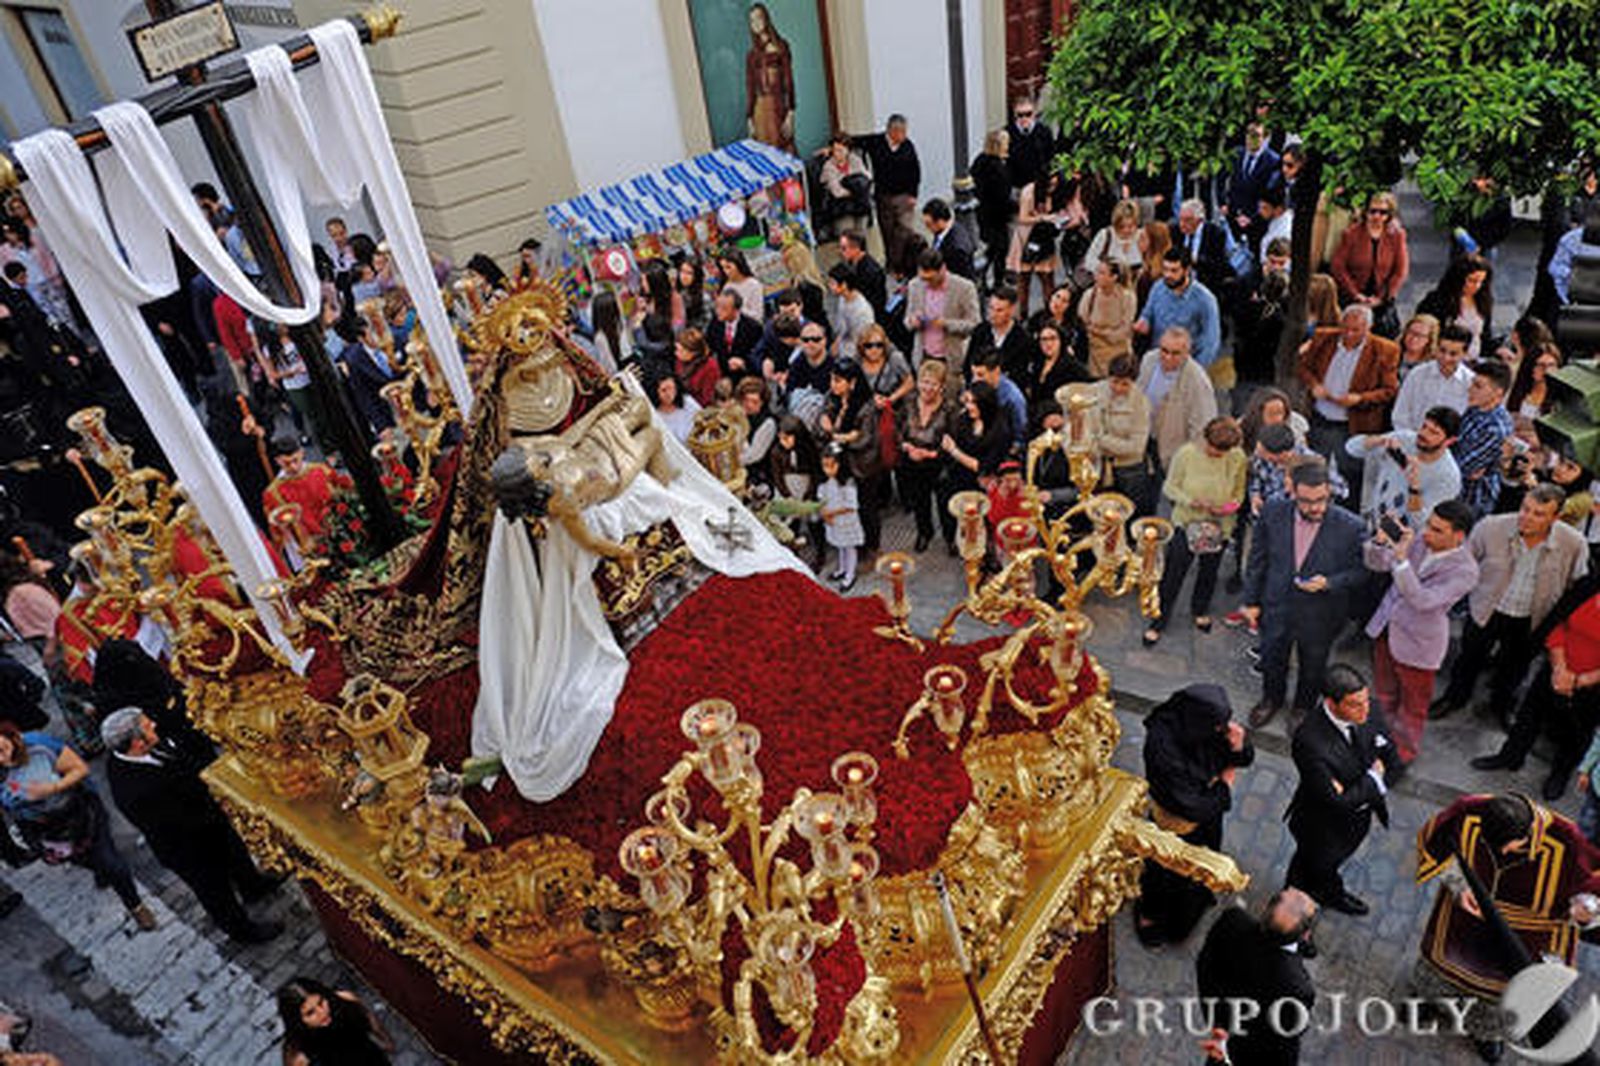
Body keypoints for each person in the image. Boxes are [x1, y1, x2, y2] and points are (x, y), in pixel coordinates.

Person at [1412, 794, 1600, 1064]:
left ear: (1530, 831)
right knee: (1443, 969)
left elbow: (1593, 889)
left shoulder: (1568, 841)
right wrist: (1459, 886)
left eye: (1510, 846)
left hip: (1524, 937)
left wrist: (1586, 909)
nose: (1502, 853)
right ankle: (1431, 1003)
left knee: (1502, 995)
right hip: (1464, 919)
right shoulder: (1467, 811)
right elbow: (1436, 846)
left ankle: (1486, 1034)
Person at [100, 708, 284, 943]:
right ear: (136, 742)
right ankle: (242, 931)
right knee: (215, 891)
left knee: (236, 854)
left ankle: (253, 887)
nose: (154, 724)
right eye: (147, 726)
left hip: (209, 820)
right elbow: (178, 822)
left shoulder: (149, 744)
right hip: (188, 848)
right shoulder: (133, 790)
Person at [1437, 484, 1588, 725]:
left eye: (1538, 514)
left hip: (1531, 617)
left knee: (1515, 668)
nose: (1527, 517)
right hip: (1487, 609)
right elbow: (1465, 563)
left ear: (1555, 517)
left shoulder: (1574, 544)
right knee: (1469, 658)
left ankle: (1500, 706)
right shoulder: (1491, 527)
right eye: (1525, 508)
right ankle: (1454, 698)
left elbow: (1575, 584)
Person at [1242, 461, 1366, 726]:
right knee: (1272, 658)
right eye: (1307, 501)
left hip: (1321, 613)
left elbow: (1361, 572)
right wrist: (1250, 601)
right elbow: (1258, 559)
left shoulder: (1351, 526)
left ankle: (1302, 708)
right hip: (1276, 605)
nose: (1316, 507)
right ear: (1293, 492)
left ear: (1330, 491)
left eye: (1322, 499)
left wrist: (1329, 582)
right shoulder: (1273, 512)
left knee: (1313, 666)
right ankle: (1271, 700)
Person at [0, 722, 156, 931]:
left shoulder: (39, 745)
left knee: (113, 864)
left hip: (81, 812)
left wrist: (52, 788)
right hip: (46, 830)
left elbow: (80, 769)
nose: (2, 759)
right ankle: (98, 868)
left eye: (2, 750)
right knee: (85, 860)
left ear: (9, 736)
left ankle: (135, 906)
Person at [1362, 500, 1478, 772]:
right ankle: (1384, 735)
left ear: (1458, 535)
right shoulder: (1418, 541)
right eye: (1429, 525)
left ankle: (1403, 753)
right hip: (1386, 629)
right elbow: (1376, 564)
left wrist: (1401, 560)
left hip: (1419, 646)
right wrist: (1381, 543)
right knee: (1385, 692)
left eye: (1437, 530)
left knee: (1413, 706)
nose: (1427, 533)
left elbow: (1423, 600)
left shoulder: (1466, 571)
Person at [1135, 684, 1254, 946]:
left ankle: (1198, 898)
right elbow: (1189, 805)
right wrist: (1224, 784)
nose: (1223, 730)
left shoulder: (1209, 726)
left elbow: (1240, 757)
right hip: (1176, 824)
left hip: (1208, 816)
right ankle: (1151, 920)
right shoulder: (1162, 745)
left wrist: (1238, 746)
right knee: (1165, 877)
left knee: (1203, 862)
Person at [1475, 563, 1600, 799]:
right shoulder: (1588, 585)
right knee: (1529, 714)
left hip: (1592, 686)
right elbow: (1558, 623)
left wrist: (1579, 681)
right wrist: (1560, 666)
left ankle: (1560, 774)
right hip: (1557, 666)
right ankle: (1509, 756)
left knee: (1577, 733)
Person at [1284, 665, 1396, 915]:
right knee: (1307, 869)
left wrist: (1356, 788)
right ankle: (1293, 919)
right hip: (1321, 827)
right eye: (1355, 705)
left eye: (1366, 700)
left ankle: (1331, 893)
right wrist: (1373, 778)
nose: (1365, 710)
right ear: (1331, 704)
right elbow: (1335, 800)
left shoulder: (1369, 709)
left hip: (1357, 818)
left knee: (1329, 866)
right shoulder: (1309, 741)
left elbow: (1389, 753)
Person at [1145, 418, 1246, 646]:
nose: (1218, 454)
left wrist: (1229, 506)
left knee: (1209, 572)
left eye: (1224, 451)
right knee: (1174, 573)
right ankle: (1159, 618)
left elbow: (1239, 492)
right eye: (1214, 449)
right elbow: (1170, 487)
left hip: (1220, 525)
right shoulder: (1186, 454)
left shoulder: (1237, 457)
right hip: (1187, 522)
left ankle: (1200, 609)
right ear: (1205, 439)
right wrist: (1192, 501)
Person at [1194, 890, 1319, 1066]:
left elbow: (1205, 967)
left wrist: (1217, 1020)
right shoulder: (1296, 988)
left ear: (1265, 910)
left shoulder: (1232, 920)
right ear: (1305, 935)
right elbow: (1283, 1041)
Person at [1296, 304, 1400, 497]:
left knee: (1350, 475)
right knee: (1313, 470)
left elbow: (1390, 390)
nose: (1348, 334)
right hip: (1320, 417)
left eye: (1355, 330)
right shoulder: (1323, 337)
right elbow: (1303, 367)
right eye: (1345, 328)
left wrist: (1360, 398)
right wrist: (1314, 385)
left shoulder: (1385, 350)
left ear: (1368, 328)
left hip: (1353, 424)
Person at [1342, 407, 1462, 534]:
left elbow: (1421, 524)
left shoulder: (1448, 476)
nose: (1423, 434)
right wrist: (1379, 441)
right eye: (1424, 426)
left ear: (1450, 441)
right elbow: (1351, 448)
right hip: (1370, 521)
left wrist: (1414, 488)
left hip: (1402, 540)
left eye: (1434, 432)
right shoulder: (1405, 438)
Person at [820, 360, 884, 553]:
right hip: (842, 462)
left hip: (863, 465)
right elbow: (824, 415)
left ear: (852, 382)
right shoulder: (833, 397)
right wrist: (826, 421)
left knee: (866, 506)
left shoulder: (866, 406)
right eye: (832, 379)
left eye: (838, 380)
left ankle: (871, 546)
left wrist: (841, 437)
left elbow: (864, 438)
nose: (833, 385)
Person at [1137, 325, 1218, 476]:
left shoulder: (1197, 381)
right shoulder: (1149, 360)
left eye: (1175, 353)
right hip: (1144, 438)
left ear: (1187, 353)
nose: (1168, 357)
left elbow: (1202, 428)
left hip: (1173, 449)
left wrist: (1189, 465)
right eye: (1164, 350)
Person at [939, 381, 1009, 546]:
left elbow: (983, 466)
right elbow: (952, 439)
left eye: (973, 402)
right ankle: (953, 540)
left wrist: (954, 451)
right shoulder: (965, 419)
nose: (968, 406)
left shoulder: (1000, 430)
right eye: (967, 401)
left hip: (982, 481)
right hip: (959, 474)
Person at [1330, 192, 1410, 336]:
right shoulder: (1351, 233)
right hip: (1352, 294)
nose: (1377, 216)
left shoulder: (1397, 235)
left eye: (1383, 212)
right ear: (1366, 212)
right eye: (1373, 211)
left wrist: (1382, 297)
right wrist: (1355, 294)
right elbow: (1338, 266)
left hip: (1382, 296)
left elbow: (1400, 270)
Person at [903, 249, 980, 391]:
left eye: (931, 279)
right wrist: (913, 322)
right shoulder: (915, 285)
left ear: (942, 269)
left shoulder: (964, 288)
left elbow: (975, 323)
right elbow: (907, 320)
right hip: (923, 357)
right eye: (923, 279)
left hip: (950, 360)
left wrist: (946, 323)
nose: (927, 283)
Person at [898, 361, 955, 553]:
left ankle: (950, 537)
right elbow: (898, 431)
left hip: (939, 464)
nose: (927, 388)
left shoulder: (949, 408)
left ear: (941, 386)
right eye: (924, 382)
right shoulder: (908, 402)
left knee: (944, 505)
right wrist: (906, 447)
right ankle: (924, 533)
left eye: (933, 383)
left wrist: (931, 454)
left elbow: (954, 440)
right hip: (912, 462)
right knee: (920, 502)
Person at [1083, 355, 1152, 512]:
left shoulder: (1141, 403)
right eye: (1114, 382)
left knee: (1130, 511)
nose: (1118, 388)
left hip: (1129, 470)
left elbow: (1136, 447)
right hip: (1098, 465)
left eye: (1125, 384)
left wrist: (1101, 439)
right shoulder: (1094, 391)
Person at [1133, 246, 1222, 368]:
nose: (1168, 275)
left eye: (1174, 271)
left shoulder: (1205, 299)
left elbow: (1210, 342)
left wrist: (1196, 370)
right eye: (1165, 269)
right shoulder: (1158, 287)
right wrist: (1144, 321)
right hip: (1157, 360)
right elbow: (1148, 313)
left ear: (1187, 270)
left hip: (1185, 364)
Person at [277, 976, 394, 1066]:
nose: (322, 1013)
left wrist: (385, 1040)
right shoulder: (299, 1053)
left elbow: (368, 1018)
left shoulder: (345, 999)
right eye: (310, 1013)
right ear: (297, 1020)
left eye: (321, 1002)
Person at [1453, 359, 1516, 520]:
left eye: (1478, 386)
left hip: (1473, 501)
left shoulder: (1496, 428)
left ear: (1498, 393)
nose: (1470, 389)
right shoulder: (1475, 408)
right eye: (1473, 383)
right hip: (1456, 491)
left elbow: (1463, 467)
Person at [859, 115, 920, 275]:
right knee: (887, 231)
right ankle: (893, 264)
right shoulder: (877, 142)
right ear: (893, 131)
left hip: (904, 196)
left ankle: (900, 263)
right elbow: (855, 141)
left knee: (904, 230)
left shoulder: (908, 146)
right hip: (884, 196)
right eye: (902, 132)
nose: (905, 135)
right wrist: (832, 147)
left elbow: (915, 171)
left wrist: (914, 194)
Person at [1391, 321, 1471, 432]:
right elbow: (1400, 415)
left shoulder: (1470, 382)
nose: (1446, 358)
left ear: (1465, 354)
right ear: (1436, 347)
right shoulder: (1417, 374)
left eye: (1453, 354)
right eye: (1442, 351)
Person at [1007, 171, 1068, 316]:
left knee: (1047, 279)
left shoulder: (1054, 193)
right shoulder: (1029, 192)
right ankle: (1023, 314)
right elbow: (1022, 218)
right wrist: (1045, 218)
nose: (1052, 187)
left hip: (1044, 237)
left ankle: (1050, 313)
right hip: (1027, 238)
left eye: (1055, 184)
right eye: (1050, 184)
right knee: (1024, 280)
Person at [1417, 253, 1495, 361]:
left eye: (1481, 281)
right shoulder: (1437, 300)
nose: (1477, 286)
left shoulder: (1483, 300)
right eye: (1472, 280)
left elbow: (1485, 335)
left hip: (1473, 359)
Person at [743, 3, 795, 152]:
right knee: (764, 154)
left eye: (758, 18)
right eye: (752, 21)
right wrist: (749, 119)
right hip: (759, 110)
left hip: (777, 106)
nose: (756, 24)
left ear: (766, 19)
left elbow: (788, 80)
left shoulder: (781, 47)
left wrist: (790, 112)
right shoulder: (751, 56)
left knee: (784, 150)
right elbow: (750, 87)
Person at [1168, 199, 1237, 302]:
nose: (1182, 224)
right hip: (1179, 284)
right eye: (1180, 219)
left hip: (1206, 285)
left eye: (1187, 220)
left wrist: (1195, 260)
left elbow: (1218, 265)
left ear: (1199, 220)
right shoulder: (1175, 232)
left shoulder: (1215, 233)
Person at [1078, 260, 1138, 378]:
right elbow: (1082, 323)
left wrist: (1099, 332)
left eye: (1102, 273)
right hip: (1094, 355)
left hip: (1119, 353)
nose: (1096, 276)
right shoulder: (1089, 295)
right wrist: (1104, 333)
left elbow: (1123, 332)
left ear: (1114, 277)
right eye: (1097, 271)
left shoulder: (1128, 298)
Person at [1223, 120, 1283, 239]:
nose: (1252, 139)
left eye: (1257, 135)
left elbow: (1269, 193)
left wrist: (1252, 217)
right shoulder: (1236, 154)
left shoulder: (1273, 161)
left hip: (1256, 221)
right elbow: (1223, 178)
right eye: (1249, 134)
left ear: (1265, 137)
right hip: (1233, 215)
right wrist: (1223, 203)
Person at [968, 286, 1038, 387]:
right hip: (978, 389)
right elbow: (968, 363)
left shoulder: (1023, 339)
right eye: (991, 308)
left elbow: (1020, 376)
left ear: (1011, 310)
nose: (993, 314)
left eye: (999, 310)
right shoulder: (980, 331)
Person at [817, 445, 863, 590]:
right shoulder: (824, 482)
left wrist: (830, 513)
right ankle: (842, 569)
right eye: (825, 466)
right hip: (833, 521)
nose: (828, 469)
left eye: (832, 465)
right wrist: (824, 513)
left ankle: (850, 574)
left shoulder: (847, 482)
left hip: (846, 521)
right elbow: (821, 498)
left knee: (849, 547)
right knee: (839, 546)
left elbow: (851, 505)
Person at [967, 350, 1030, 454]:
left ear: (996, 371)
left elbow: (1020, 438)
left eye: (980, 374)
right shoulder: (974, 386)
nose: (975, 380)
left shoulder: (1014, 399)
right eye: (973, 374)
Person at [970, 129, 1011, 288]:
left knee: (990, 248)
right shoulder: (997, 167)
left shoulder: (980, 160)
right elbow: (1001, 196)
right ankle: (997, 283)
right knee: (999, 250)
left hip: (984, 214)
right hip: (996, 216)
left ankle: (985, 281)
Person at [1026, 321, 1089, 409]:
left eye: (1053, 338)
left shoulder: (1073, 367)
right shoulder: (1036, 365)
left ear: (1061, 341)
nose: (1048, 344)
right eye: (1044, 339)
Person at [1081, 198, 1144, 280]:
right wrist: (1105, 270)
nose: (1126, 230)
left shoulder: (1142, 236)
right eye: (1121, 226)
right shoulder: (1105, 235)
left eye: (1130, 226)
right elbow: (1089, 260)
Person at [706, 290, 763, 380]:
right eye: (717, 307)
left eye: (724, 309)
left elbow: (758, 355)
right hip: (723, 375)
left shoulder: (753, 327)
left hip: (746, 375)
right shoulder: (715, 323)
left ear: (736, 310)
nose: (718, 311)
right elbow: (709, 345)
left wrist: (743, 363)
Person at [819, 132, 872, 227]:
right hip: (842, 209)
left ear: (848, 150)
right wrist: (858, 189)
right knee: (847, 234)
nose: (837, 154)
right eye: (835, 150)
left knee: (861, 235)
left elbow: (868, 177)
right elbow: (837, 192)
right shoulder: (829, 166)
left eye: (841, 150)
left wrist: (856, 186)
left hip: (860, 206)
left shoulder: (855, 160)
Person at [1005, 96, 1054, 193]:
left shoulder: (1044, 131)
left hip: (1040, 185)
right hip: (1016, 186)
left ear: (1034, 113)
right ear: (1014, 114)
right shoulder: (1007, 133)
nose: (1024, 118)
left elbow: (1050, 157)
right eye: (1020, 115)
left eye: (1028, 114)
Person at [1506, 340, 1563, 424]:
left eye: (1551, 365)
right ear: (1530, 366)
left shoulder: (1562, 400)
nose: (1546, 370)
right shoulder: (1516, 392)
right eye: (1541, 365)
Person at [827, 264, 875, 363]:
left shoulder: (862, 310)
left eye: (832, 283)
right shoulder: (842, 299)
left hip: (854, 357)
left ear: (844, 285)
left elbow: (862, 341)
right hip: (842, 351)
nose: (829, 286)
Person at [836, 231, 887, 321]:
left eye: (844, 248)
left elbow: (876, 302)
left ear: (856, 249)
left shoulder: (871, 271)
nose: (840, 252)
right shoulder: (853, 264)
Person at [923, 197, 976, 282]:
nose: (927, 228)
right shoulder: (941, 231)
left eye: (929, 224)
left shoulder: (957, 248)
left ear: (940, 221)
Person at [649, 374, 700, 445]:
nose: (668, 394)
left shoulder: (688, 402)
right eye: (663, 390)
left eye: (671, 388)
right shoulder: (654, 414)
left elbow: (702, 419)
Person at [1395, 312, 1441, 380]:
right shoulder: (1390, 353)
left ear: (1429, 340)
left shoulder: (1434, 364)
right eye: (1411, 332)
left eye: (1420, 335)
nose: (1414, 339)